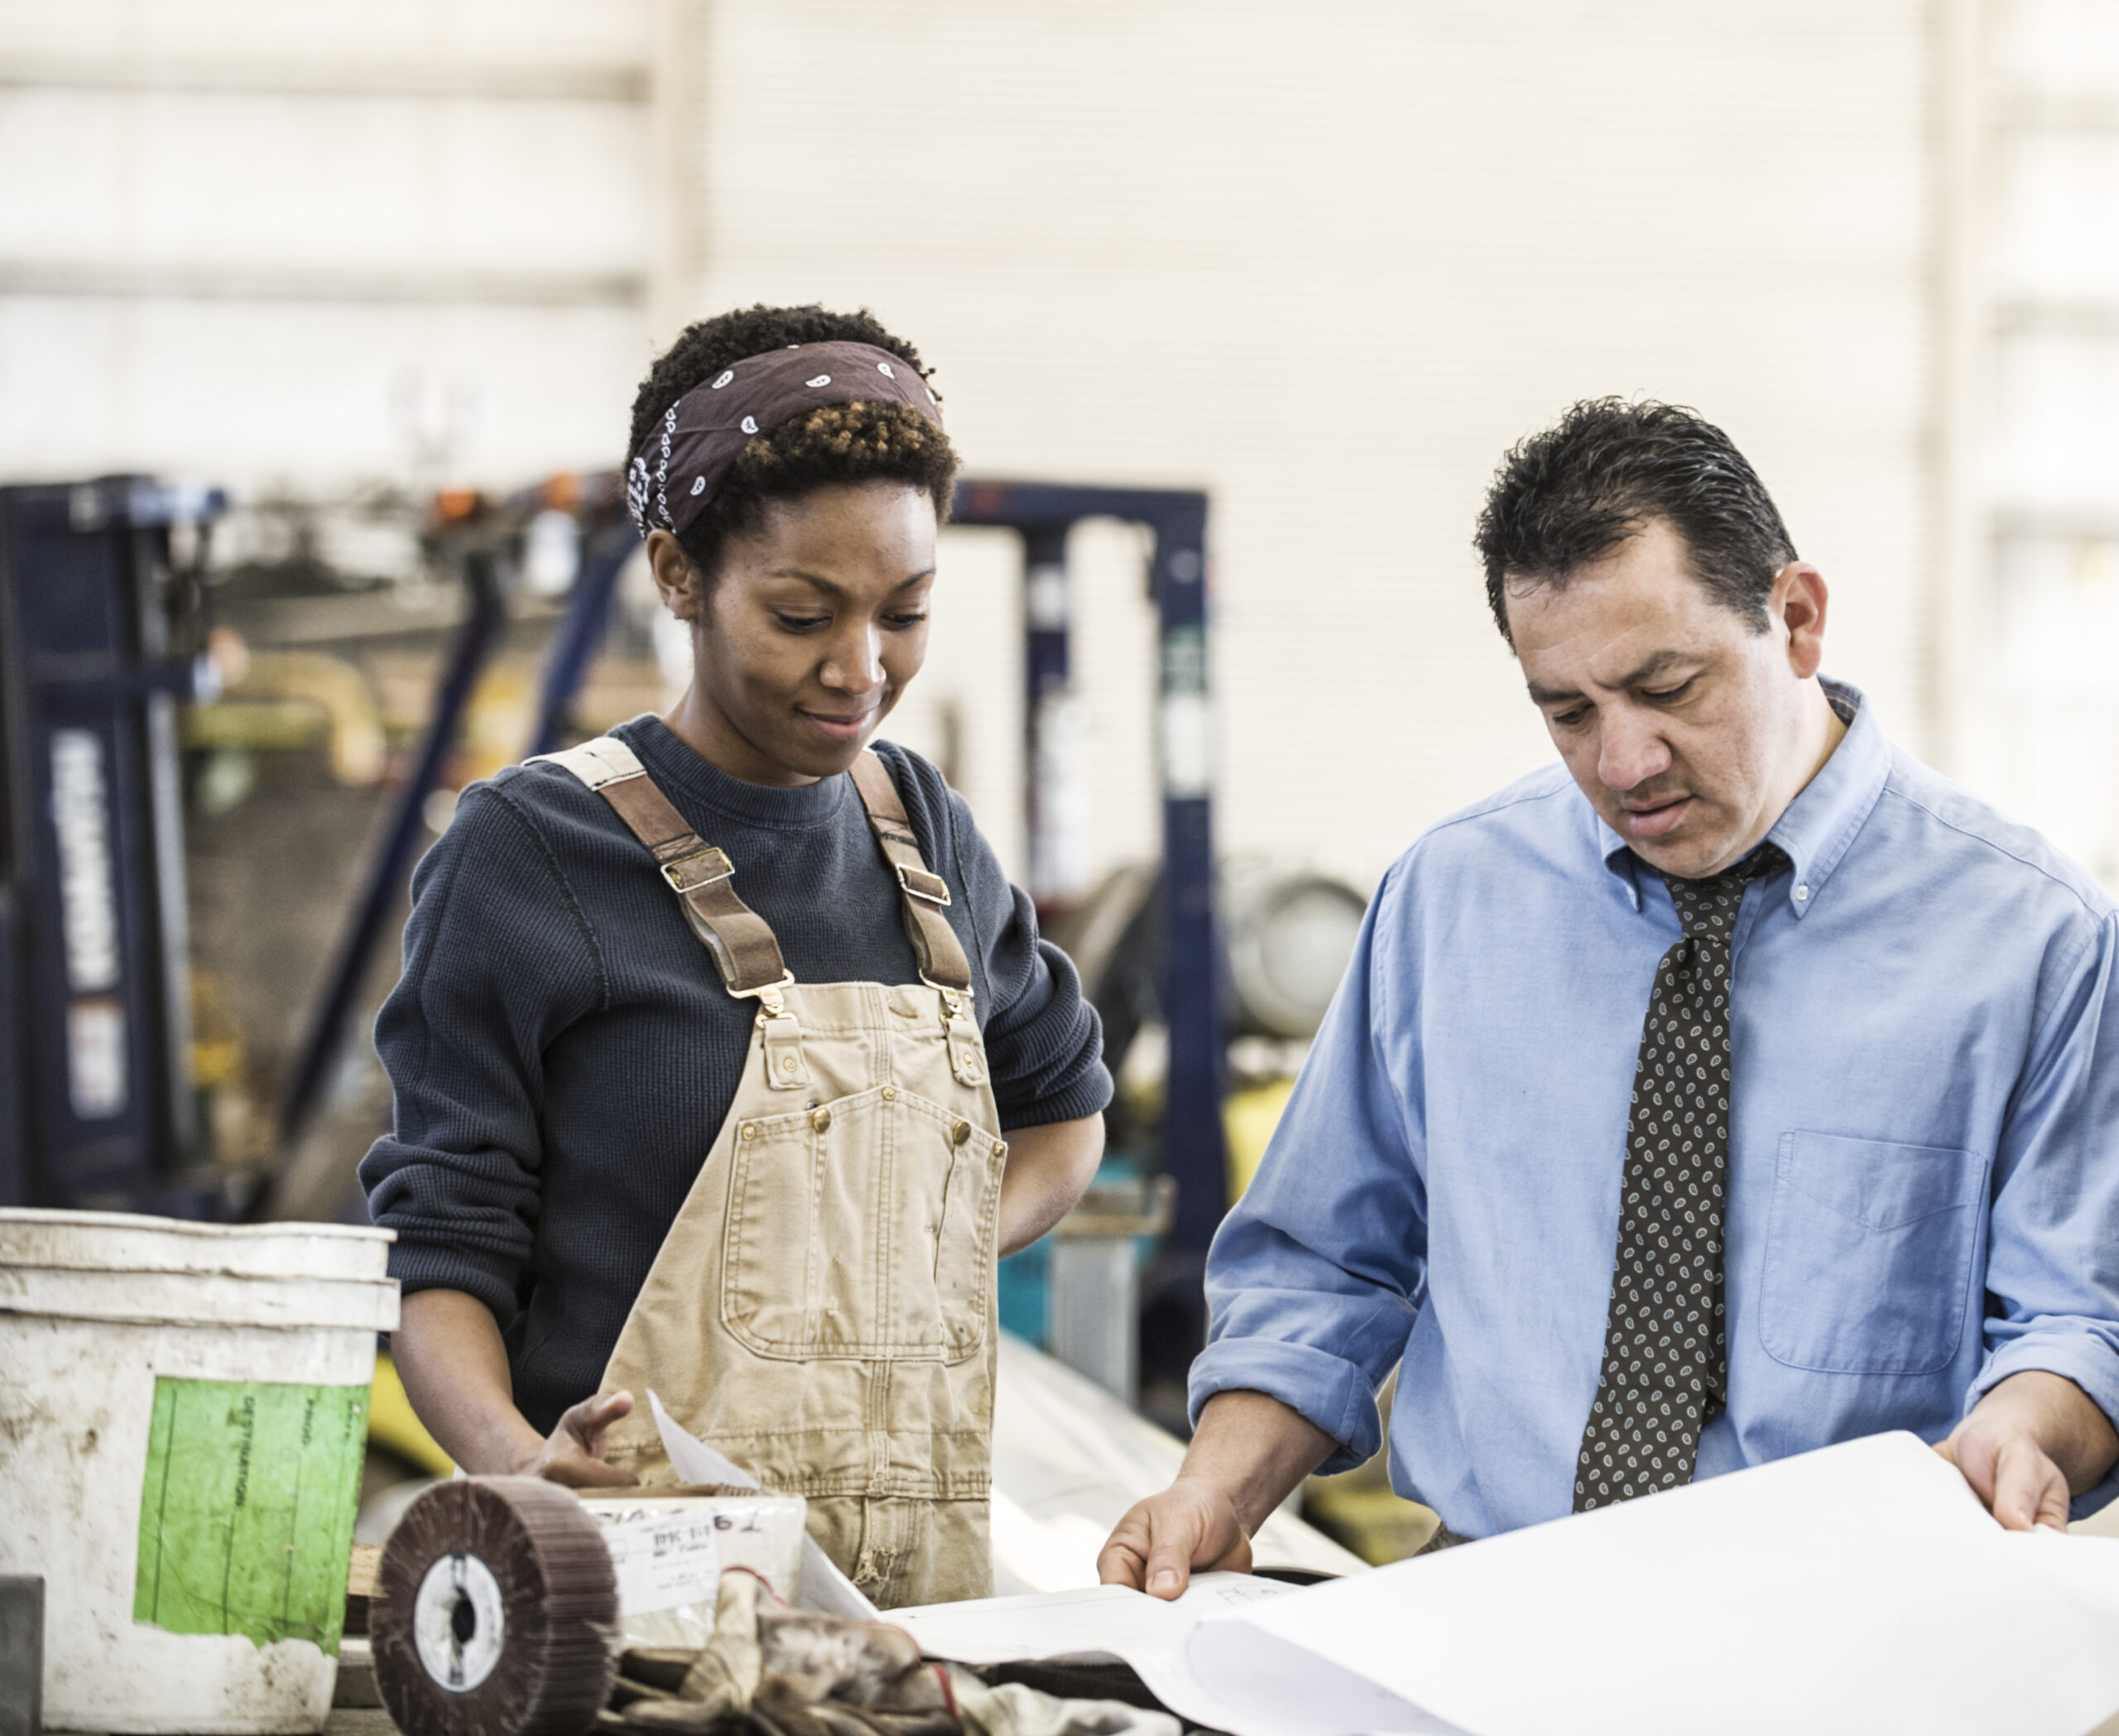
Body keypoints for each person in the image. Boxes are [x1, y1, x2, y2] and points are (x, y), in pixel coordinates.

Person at [1099, 398, 2119, 1597]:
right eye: (1568, 711)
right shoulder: (1451, 899)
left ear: (1795, 619)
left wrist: (2028, 1426)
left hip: (1857, 1629)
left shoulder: (2033, 935)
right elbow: (1323, 1264)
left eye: (1668, 687)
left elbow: (2081, 1314)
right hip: (1491, 1605)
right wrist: (1214, 1488)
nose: (1624, 763)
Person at [361, 303, 1112, 1609]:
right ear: (678, 573)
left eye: (907, 612)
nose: (860, 668)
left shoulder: (920, 830)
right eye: (804, 612)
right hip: (631, 1586)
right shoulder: (528, 850)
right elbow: (440, 1255)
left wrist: (908, 1260)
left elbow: (1065, 1114)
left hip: (916, 1606)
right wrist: (524, 1467)